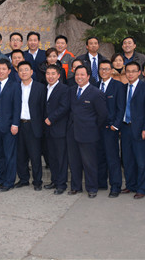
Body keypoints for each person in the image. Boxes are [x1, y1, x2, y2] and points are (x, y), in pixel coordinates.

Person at [67, 65, 108, 198]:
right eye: (77, 74)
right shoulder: (72, 90)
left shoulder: (96, 93)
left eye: (82, 74)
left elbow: (102, 115)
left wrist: (93, 127)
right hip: (72, 132)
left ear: (88, 76)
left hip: (89, 133)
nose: (79, 77)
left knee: (89, 163)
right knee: (74, 162)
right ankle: (76, 187)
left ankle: (92, 188)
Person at [120, 62, 145, 199]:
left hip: (141, 130)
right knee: (127, 160)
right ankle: (131, 185)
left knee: (141, 161)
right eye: (128, 71)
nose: (130, 74)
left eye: (133, 71)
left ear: (139, 73)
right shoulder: (123, 88)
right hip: (125, 128)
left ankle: (142, 188)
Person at [0, 58, 21, 192]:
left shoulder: (14, 85)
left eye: (4, 69)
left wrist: (15, 124)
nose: (1, 71)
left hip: (9, 126)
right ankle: (1, 179)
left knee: (9, 155)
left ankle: (9, 182)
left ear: (9, 71)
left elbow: (17, 106)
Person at [97, 60, 125, 198]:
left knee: (112, 158)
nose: (104, 71)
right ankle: (101, 183)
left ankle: (115, 186)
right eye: (101, 69)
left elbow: (121, 107)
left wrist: (116, 125)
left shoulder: (118, 86)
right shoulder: (95, 85)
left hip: (111, 128)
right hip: (97, 128)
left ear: (111, 70)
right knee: (100, 156)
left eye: (107, 69)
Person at [15, 61, 45, 191]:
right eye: (21, 70)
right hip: (19, 124)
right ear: (18, 73)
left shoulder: (40, 87)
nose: (23, 72)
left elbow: (43, 108)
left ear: (32, 72)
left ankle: (37, 181)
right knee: (20, 155)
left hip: (34, 125)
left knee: (35, 155)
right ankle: (23, 179)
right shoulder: (15, 87)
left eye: (26, 70)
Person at [42, 64, 70, 195]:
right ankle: (54, 180)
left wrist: (51, 118)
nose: (50, 76)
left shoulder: (64, 89)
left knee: (61, 158)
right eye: (48, 74)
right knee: (51, 157)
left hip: (59, 129)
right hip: (47, 129)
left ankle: (61, 184)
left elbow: (64, 107)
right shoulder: (45, 88)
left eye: (53, 74)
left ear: (58, 75)